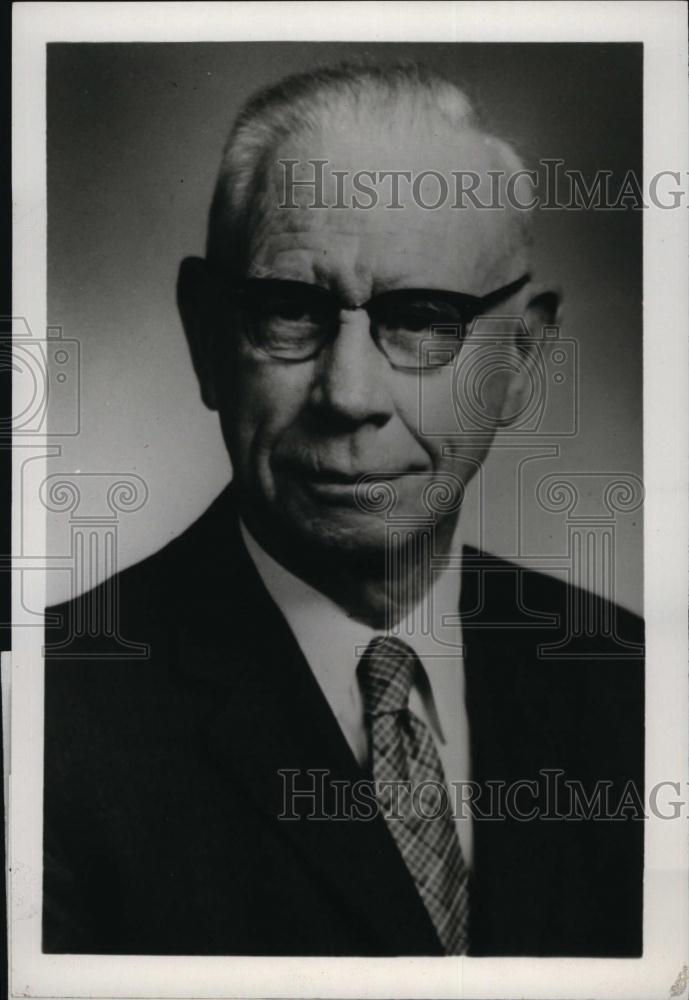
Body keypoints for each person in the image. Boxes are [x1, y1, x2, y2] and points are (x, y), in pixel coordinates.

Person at [43, 62, 644, 958]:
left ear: (521, 359)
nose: (349, 394)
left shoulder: (633, 685)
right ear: (205, 335)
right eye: (289, 311)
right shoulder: (51, 717)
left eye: (422, 318)